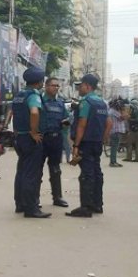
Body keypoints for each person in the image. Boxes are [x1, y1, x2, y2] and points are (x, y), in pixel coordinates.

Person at [67, 74, 111, 218]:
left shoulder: (86, 102)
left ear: (87, 86)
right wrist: (102, 139)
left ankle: (86, 207)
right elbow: (109, 124)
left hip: (86, 142)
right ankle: (97, 204)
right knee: (97, 173)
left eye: (80, 85)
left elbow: (82, 124)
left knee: (87, 175)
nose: (79, 88)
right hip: (97, 143)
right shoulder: (102, 103)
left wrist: (76, 145)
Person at [12, 67, 50, 218]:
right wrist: (34, 132)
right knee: (31, 173)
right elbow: (34, 112)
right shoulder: (34, 95)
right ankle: (31, 208)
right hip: (30, 138)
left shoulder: (19, 95)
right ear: (39, 82)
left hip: (19, 138)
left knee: (21, 171)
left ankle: (20, 203)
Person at [39, 77, 68, 207]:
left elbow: (66, 118)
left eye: (57, 86)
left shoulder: (61, 103)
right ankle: (34, 199)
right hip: (42, 139)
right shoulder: (38, 100)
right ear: (46, 86)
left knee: (56, 169)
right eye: (53, 85)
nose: (56, 88)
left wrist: (67, 122)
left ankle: (57, 197)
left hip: (56, 138)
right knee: (36, 169)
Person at [107, 99, 126, 167]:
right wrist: (123, 110)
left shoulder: (111, 111)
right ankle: (112, 162)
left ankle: (114, 161)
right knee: (114, 147)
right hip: (115, 131)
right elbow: (123, 117)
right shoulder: (114, 111)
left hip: (114, 131)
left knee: (114, 147)